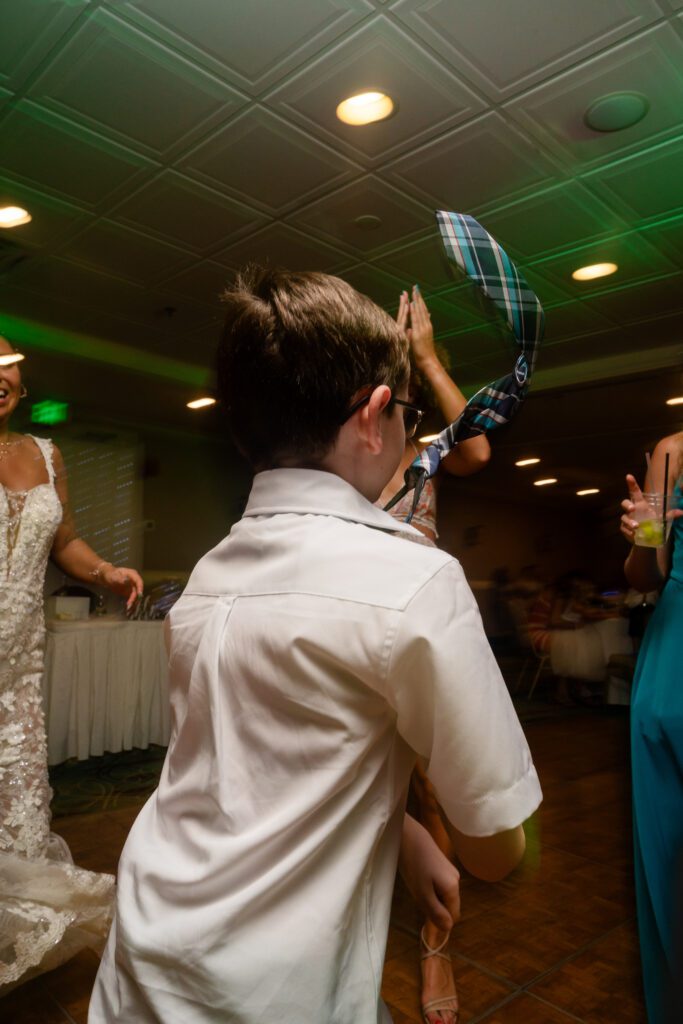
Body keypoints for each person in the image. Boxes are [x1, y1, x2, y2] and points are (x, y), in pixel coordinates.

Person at [88, 267, 542, 1024]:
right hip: (276, 990)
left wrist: (401, 835)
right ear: (373, 416)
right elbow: (496, 848)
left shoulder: (204, 577)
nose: (409, 429)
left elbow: (262, 765)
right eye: (407, 411)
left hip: (146, 953)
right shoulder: (414, 580)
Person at [0, 336, 143, 990]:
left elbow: (67, 541)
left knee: (15, 785)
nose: (4, 377)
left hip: (21, 655)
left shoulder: (45, 454)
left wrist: (106, 570)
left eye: (11, 372)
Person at [378, 285, 491, 1022]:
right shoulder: (347, 437)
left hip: (415, 623)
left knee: (424, 786)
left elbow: (477, 447)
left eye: (412, 368)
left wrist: (423, 351)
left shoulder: (428, 448)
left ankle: (433, 946)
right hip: (351, 627)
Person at [620, 432, 683, 1023]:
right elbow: (647, 575)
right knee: (668, 861)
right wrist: (645, 534)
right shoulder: (673, 450)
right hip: (674, 663)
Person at [527, 572, 622, 704]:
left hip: (556, 631)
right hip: (539, 632)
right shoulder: (561, 596)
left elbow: (584, 612)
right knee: (576, 646)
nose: (587, 587)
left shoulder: (568, 596)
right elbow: (553, 621)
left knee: (578, 644)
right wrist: (576, 625)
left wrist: (604, 611)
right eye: (585, 584)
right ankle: (567, 690)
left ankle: (574, 688)